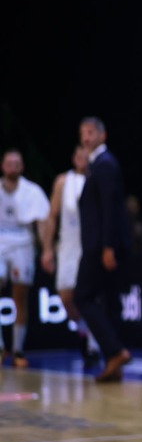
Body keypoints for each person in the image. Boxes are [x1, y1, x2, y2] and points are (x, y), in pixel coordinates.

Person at [74, 117, 134, 382]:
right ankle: (113, 363)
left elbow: (110, 209)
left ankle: (115, 351)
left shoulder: (105, 164)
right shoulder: (98, 164)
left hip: (101, 246)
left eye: (90, 132)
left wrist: (108, 247)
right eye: (82, 133)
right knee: (109, 302)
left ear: (102, 135)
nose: (85, 138)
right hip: (101, 245)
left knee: (82, 297)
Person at [39, 146, 98, 367]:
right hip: (68, 244)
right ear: (74, 158)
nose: (82, 159)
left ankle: (93, 345)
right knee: (66, 296)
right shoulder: (63, 182)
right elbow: (52, 217)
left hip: (89, 245)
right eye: (79, 155)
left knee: (89, 296)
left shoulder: (95, 179)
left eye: (86, 156)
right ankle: (83, 330)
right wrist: (47, 248)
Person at [0, 149, 51, 369]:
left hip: (23, 244)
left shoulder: (32, 191)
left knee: (20, 296)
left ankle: (18, 349)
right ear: (3, 166)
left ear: (22, 167)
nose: (13, 167)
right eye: (9, 163)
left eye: (17, 163)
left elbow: (42, 222)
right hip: (0, 244)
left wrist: (46, 249)